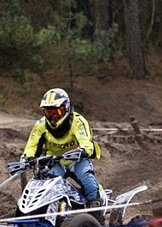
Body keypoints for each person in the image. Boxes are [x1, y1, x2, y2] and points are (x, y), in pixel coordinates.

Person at [21, 88, 104, 219]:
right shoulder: (40, 125)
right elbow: (32, 145)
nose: (53, 116)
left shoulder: (78, 122)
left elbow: (86, 142)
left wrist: (83, 151)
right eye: (48, 112)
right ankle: (46, 219)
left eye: (57, 111)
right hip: (56, 162)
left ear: (66, 108)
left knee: (89, 184)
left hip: (77, 160)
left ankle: (98, 223)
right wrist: (26, 159)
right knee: (44, 188)